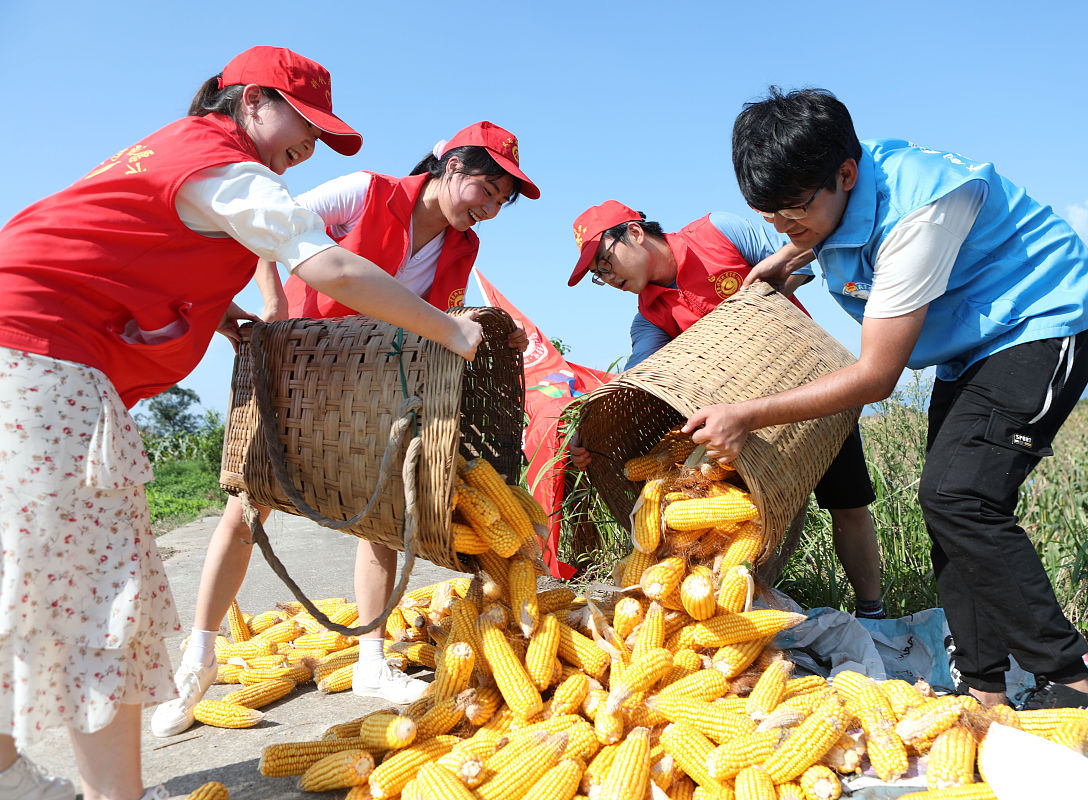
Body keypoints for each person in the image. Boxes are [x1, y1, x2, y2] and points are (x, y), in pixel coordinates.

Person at [0, 46, 483, 800]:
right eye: (304, 124)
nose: (310, 148)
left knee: (31, 578)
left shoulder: (175, 152)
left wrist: (211, 312)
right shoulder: (226, 162)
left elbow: (122, 248)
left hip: (24, 355)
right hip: (40, 359)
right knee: (105, 588)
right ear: (252, 101)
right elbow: (330, 267)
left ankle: (11, 773)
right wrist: (451, 333)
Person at [684, 87, 1088, 713]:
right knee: (950, 508)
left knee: (960, 497)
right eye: (768, 213)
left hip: (1041, 316)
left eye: (793, 209)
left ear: (845, 173)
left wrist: (746, 414)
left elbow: (876, 375)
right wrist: (786, 252)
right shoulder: (834, 189)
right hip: (971, 341)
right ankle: (985, 690)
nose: (784, 222)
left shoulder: (923, 210)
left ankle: (1073, 681)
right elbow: (827, 222)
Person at [151, 121, 538, 739]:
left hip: (373, 383)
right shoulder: (366, 191)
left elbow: (436, 319)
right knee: (248, 507)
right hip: (302, 368)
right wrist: (274, 306)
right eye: (486, 188)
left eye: (500, 201)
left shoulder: (463, 249)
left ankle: (370, 660)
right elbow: (266, 231)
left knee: (382, 512)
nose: (488, 208)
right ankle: (197, 659)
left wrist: (499, 331)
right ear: (449, 166)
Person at [565, 200, 883, 617]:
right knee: (735, 527)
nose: (607, 278)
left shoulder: (720, 231)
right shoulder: (649, 318)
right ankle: (719, 611)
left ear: (635, 233)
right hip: (746, 430)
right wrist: (586, 433)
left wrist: (757, 310)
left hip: (808, 387)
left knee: (848, 503)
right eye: (597, 276)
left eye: (605, 263)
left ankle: (873, 610)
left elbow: (800, 257)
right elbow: (637, 378)